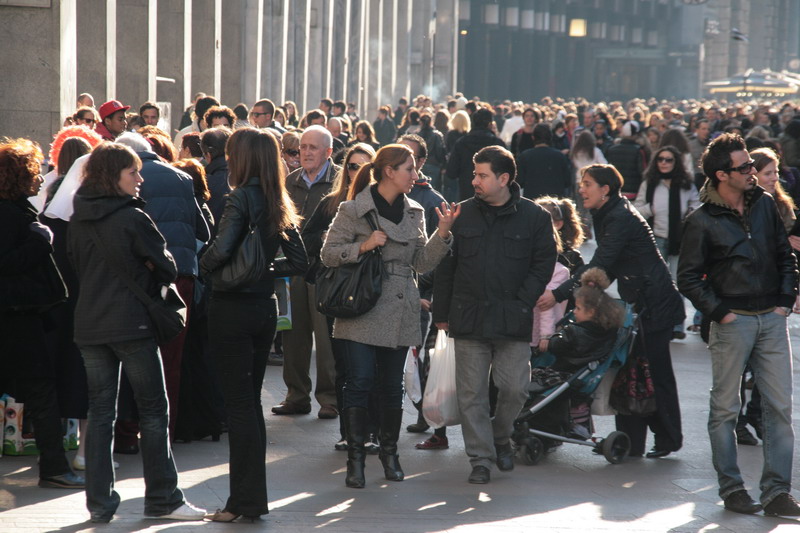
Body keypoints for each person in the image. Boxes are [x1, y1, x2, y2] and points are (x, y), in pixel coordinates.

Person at [68, 142, 205, 523]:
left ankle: (99, 503)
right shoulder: (132, 216)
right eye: (133, 172)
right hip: (133, 324)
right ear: (115, 175)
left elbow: (75, 266)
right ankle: (163, 497)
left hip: (91, 323)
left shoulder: (79, 216)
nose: (140, 178)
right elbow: (166, 265)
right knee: (153, 410)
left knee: (100, 413)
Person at [321, 144, 458, 489]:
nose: (416, 175)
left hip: (400, 306)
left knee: (390, 387)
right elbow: (328, 254)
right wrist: (364, 247)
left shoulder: (415, 211)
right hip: (362, 304)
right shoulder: (353, 209)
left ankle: (390, 454)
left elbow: (422, 264)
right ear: (388, 172)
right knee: (360, 382)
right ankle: (355, 459)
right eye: (409, 169)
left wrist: (442, 234)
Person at [678, 134, 800, 517]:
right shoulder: (700, 221)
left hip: (771, 318)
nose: (753, 172)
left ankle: (777, 491)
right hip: (733, 322)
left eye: (752, 164)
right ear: (721, 175)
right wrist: (721, 313)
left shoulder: (765, 205)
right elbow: (688, 278)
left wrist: (783, 302)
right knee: (725, 409)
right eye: (744, 167)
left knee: (780, 407)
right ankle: (732, 488)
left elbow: (785, 255)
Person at [538, 164, 684, 460]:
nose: (581, 188)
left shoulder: (619, 217)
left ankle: (669, 438)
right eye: (581, 183)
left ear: (605, 189)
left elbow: (602, 262)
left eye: (588, 183)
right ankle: (634, 442)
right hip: (641, 303)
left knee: (656, 373)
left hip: (655, 304)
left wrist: (558, 294)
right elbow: (608, 266)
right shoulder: (610, 212)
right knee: (632, 372)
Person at [199, 128, 307, 522]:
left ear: (241, 159)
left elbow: (222, 248)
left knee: (240, 406)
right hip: (264, 310)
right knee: (250, 406)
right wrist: (262, 269)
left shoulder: (241, 196)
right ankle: (251, 502)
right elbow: (300, 262)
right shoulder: (279, 199)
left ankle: (239, 504)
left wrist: (199, 265)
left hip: (232, 310)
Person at [433, 145, 557, 485]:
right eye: (474, 174)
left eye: (482, 175)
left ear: (503, 178)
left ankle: (501, 436)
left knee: (515, 388)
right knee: (471, 394)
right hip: (468, 315)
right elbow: (446, 267)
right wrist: (442, 313)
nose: (474, 180)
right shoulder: (462, 214)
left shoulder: (535, 217)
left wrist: (523, 300)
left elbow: (543, 263)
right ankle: (481, 459)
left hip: (512, 317)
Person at [0, 138, 85, 490]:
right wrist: (38, 241)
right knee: (41, 389)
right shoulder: (9, 212)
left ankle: (54, 465)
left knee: (39, 388)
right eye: (35, 170)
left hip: (20, 314)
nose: (41, 176)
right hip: (16, 315)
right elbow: (6, 262)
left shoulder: (16, 208)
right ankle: (53, 466)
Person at [301, 143, 377, 452]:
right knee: (345, 365)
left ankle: (373, 432)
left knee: (373, 368)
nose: (357, 172)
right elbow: (305, 240)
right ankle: (350, 432)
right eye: (352, 166)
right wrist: (324, 240)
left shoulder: (384, 204)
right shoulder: (332, 204)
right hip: (338, 293)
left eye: (364, 166)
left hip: (373, 294)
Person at [273, 125, 339, 418]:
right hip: (291, 269)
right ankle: (297, 396)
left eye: (313, 148)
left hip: (325, 271)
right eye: (303, 147)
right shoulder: (290, 180)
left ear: (328, 152)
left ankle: (330, 399)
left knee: (326, 340)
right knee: (293, 335)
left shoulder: (338, 181)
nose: (306, 152)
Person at [633, 145, 700, 339]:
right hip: (655, 237)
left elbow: (696, 205)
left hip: (679, 240)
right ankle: (658, 321)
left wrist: (689, 215)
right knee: (656, 282)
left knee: (677, 283)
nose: (664, 163)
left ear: (675, 162)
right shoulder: (650, 183)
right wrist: (650, 209)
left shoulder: (686, 184)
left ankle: (677, 324)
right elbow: (637, 209)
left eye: (668, 159)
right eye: (660, 159)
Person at [447, 108, 506, 202]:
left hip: (467, 193)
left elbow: (451, 172)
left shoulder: (461, 143)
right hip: (492, 195)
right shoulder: (498, 144)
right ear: (490, 124)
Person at [516, 123, 572, 200]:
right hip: (555, 202)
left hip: (533, 202)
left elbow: (519, 181)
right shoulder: (560, 156)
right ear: (550, 137)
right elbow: (567, 181)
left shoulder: (525, 156)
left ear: (533, 137)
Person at [606, 121, 647, 199]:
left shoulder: (612, 149)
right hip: (634, 192)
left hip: (616, 191)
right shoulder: (639, 150)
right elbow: (643, 171)